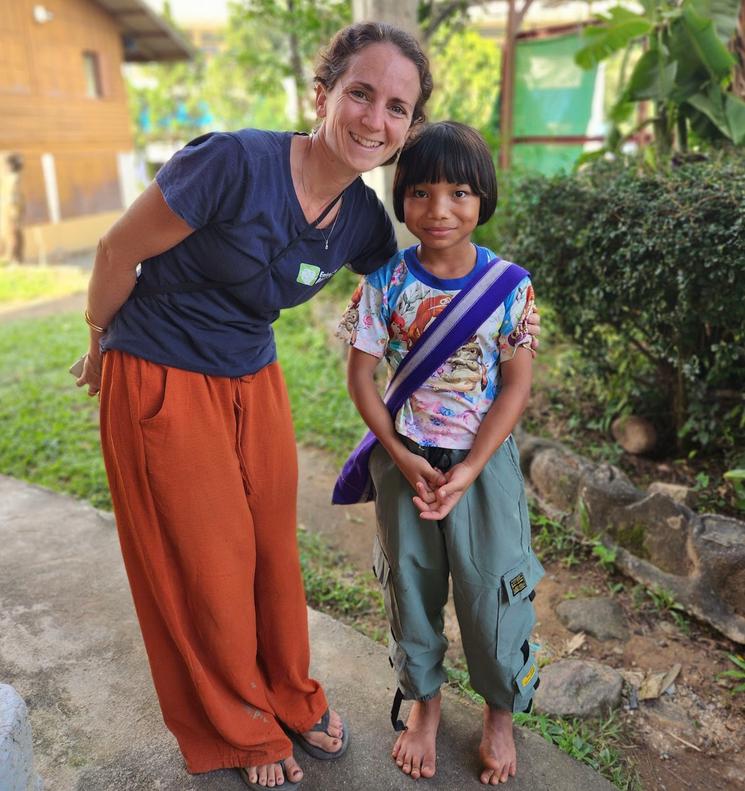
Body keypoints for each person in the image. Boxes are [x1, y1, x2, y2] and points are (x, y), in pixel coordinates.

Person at [75, 21, 540, 788]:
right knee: (206, 561)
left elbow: (417, 280)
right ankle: (239, 727)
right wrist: (99, 337)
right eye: (360, 93)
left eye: (396, 107)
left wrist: (492, 301)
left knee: (270, 551)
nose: (374, 119)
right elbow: (116, 250)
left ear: (408, 127)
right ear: (322, 95)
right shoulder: (232, 163)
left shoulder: (362, 220)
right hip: (161, 365)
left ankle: (289, 691)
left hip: (251, 373)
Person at [337, 121, 544, 786]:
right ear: (402, 198)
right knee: (410, 582)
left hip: (483, 465)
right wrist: (400, 457)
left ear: (483, 198)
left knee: (493, 589)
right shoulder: (384, 283)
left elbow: (516, 385)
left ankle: (499, 711)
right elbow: (360, 377)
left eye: (459, 192)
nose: (439, 209)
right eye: (421, 192)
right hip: (407, 461)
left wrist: (473, 466)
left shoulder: (510, 286)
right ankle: (424, 702)